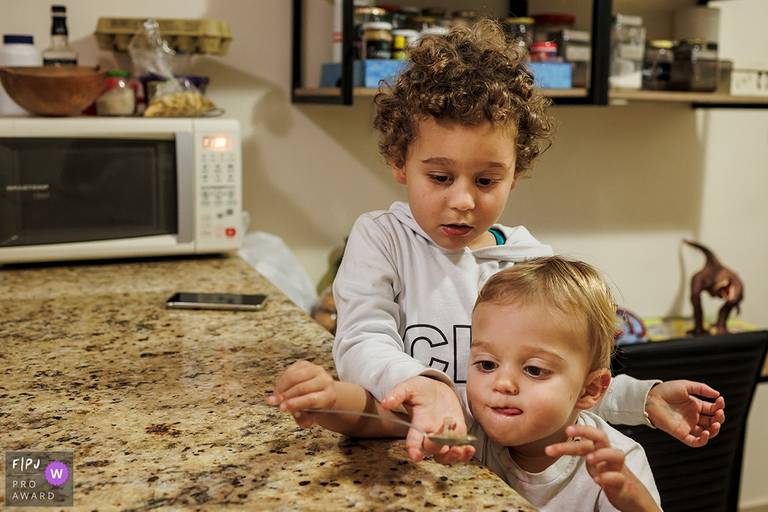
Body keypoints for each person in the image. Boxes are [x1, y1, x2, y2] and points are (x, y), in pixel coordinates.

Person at [330, 19, 725, 463]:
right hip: (413, 461)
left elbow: (561, 380)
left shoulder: (530, 267)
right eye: (440, 177)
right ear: (399, 161)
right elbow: (361, 340)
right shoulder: (383, 238)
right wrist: (422, 386)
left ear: (515, 173)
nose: (462, 200)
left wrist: (641, 399)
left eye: (486, 180)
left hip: (501, 478)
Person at [269, 257, 662, 511]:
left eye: (535, 370)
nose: (502, 384)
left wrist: (628, 497)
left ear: (591, 390)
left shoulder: (619, 462)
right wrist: (327, 398)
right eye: (487, 363)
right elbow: (378, 418)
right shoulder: (471, 418)